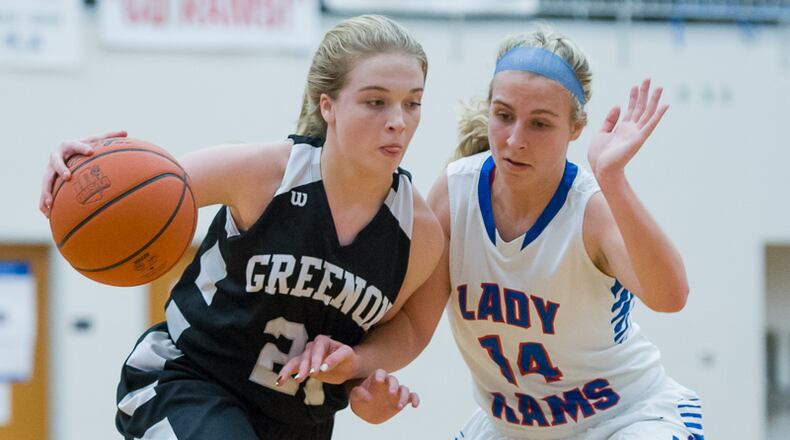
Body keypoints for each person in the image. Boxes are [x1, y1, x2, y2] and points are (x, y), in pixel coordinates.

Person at [280, 28, 705, 439]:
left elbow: (670, 296)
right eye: (503, 116)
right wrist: (359, 365)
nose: (515, 140)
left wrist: (613, 178)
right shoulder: (456, 193)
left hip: (626, 419)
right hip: (510, 429)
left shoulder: (590, 208)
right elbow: (412, 324)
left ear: (576, 127)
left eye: (540, 124)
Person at [38, 15, 443, 440]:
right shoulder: (264, 174)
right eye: (376, 101)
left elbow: (409, 328)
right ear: (328, 106)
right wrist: (76, 170)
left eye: (412, 103)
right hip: (189, 381)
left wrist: (359, 369)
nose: (398, 121)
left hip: (298, 421)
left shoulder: (418, 232)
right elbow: (138, 190)